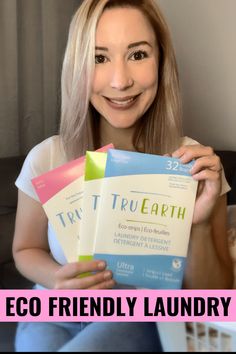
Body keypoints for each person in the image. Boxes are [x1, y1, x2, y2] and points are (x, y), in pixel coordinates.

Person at [12, 0, 233, 352]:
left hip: (142, 313)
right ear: (77, 68)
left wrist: (201, 226)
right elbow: (25, 248)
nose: (120, 80)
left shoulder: (195, 166)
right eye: (99, 58)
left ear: (161, 61)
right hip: (55, 311)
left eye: (138, 54)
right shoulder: (47, 157)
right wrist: (56, 278)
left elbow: (217, 301)